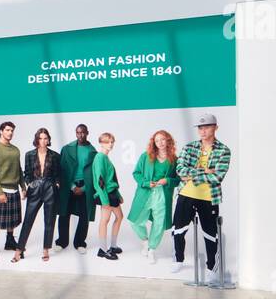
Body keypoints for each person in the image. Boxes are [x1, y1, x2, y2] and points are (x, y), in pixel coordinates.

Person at [172, 113, 232, 274]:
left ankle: (212, 266)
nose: (203, 131)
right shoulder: (189, 147)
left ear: (215, 128)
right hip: (186, 194)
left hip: (209, 197)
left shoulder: (224, 150)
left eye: (207, 127)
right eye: (200, 127)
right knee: (178, 229)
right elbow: (180, 170)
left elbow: (217, 176)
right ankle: (178, 259)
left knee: (210, 233)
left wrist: (192, 174)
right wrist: (204, 170)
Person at [12, 127, 62, 263]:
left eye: (45, 138)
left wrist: (56, 184)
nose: (43, 141)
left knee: (49, 221)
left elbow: (58, 174)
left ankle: (46, 249)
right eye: (40, 138)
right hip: (35, 189)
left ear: (48, 140)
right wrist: (30, 184)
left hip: (50, 189)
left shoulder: (55, 155)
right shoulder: (29, 154)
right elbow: (26, 174)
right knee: (28, 220)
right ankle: (19, 250)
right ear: (37, 139)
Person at [128, 130, 177, 264]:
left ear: (168, 140)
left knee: (159, 223)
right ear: (153, 143)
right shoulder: (146, 156)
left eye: (163, 139)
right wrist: (145, 183)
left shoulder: (174, 159)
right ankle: (145, 241)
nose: (160, 143)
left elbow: (178, 179)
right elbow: (136, 173)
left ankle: (151, 250)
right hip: (146, 192)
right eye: (157, 140)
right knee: (134, 220)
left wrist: (167, 180)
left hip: (163, 194)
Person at [0, 121, 23, 261]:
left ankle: (9, 241)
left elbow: (18, 170)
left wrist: (23, 187)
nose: (10, 133)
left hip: (14, 189)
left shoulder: (15, 150)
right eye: (7, 130)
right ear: (1, 131)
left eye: (12, 130)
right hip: (1, 189)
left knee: (13, 219)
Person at [57, 124, 95, 251]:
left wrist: (83, 188)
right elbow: (62, 171)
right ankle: (62, 242)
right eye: (78, 132)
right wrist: (72, 186)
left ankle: (79, 243)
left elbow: (95, 174)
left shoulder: (93, 151)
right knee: (64, 213)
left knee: (85, 216)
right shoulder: (67, 149)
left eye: (83, 132)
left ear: (87, 133)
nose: (81, 135)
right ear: (75, 133)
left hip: (85, 187)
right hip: (69, 186)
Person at [92, 132, 123, 260]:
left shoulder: (106, 157)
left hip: (112, 192)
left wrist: (118, 194)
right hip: (106, 194)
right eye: (107, 142)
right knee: (105, 220)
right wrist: (105, 200)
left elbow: (111, 179)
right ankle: (103, 249)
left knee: (119, 217)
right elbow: (100, 181)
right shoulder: (100, 157)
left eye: (111, 142)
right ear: (101, 143)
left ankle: (113, 246)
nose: (110, 144)